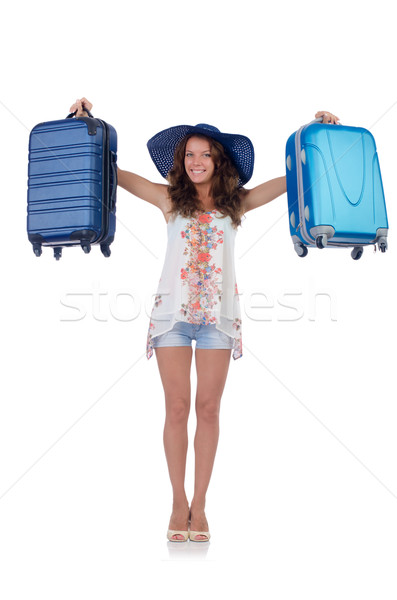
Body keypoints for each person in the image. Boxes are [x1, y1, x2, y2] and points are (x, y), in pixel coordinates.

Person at [69, 99, 340, 542]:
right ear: (182, 161)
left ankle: (201, 504)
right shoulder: (168, 199)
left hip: (218, 319)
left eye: (205, 155)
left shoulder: (238, 204)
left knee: (208, 409)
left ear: (218, 161)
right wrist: (83, 125)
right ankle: (178, 503)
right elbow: (112, 171)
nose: (197, 162)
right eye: (190, 155)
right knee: (176, 408)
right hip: (171, 318)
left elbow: (296, 178)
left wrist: (315, 131)